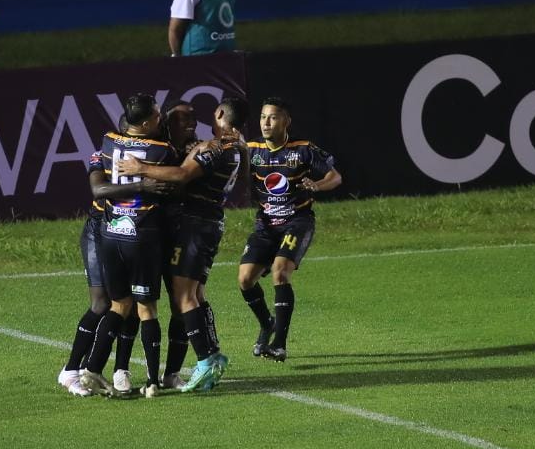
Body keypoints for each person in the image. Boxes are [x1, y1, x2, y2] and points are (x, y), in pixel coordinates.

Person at [117, 97, 248, 392]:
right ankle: (211, 353)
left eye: (194, 117)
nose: (191, 123)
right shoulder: (224, 146)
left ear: (219, 114)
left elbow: (182, 175)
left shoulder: (209, 149)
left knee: (183, 298)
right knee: (192, 295)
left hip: (194, 226)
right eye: (182, 118)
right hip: (192, 226)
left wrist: (140, 168)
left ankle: (200, 362)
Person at [56, 121, 173, 397]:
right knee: (103, 303)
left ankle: (120, 371)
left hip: (126, 228)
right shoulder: (103, 154)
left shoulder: (141, 155)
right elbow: (99, 190)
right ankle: (72, 370)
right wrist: (144, 184)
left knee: (130, 304)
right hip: (100, 227)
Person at [237, 97, 342, 363]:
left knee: (280, 271)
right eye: (262, 117)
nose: (266, 123)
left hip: (298, 221)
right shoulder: (251, 150)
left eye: (272, 117)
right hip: (265, 226)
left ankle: (279, 344)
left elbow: (335, 176)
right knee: (245, 279)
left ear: (286, 121)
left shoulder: (303, 149)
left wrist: (318, 185)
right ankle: (267, 323)